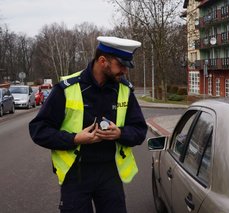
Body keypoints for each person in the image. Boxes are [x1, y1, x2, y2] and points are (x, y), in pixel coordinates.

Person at [29, 36, 148, 213]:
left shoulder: (124, 89)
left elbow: (139, 130)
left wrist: (120, 134)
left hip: (110, 173)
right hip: (76, 174)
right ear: (102, 61)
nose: (124, 71)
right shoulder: (67, 88)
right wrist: (75, 139)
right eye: (121, 65)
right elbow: (38, 130)